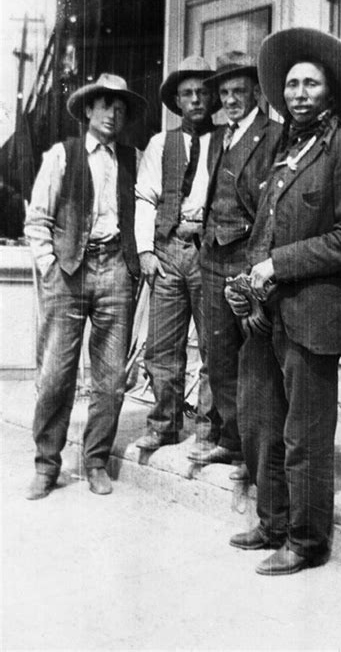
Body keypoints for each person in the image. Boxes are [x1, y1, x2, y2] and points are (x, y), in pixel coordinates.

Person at [226, 28, 341, 574]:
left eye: (311, 83)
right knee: (262, 423)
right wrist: (249, 278)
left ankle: (307, 542)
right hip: (266, 311)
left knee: (305, 435)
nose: (299, 93)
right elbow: (264, 227)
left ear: (330, 93)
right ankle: (272, 523)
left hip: (314, 313)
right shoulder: (283, 149)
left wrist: (277, 265)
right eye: (291, 84)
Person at [24, 73, 147, 499]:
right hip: (69, 270)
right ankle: (46, 464)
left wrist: (135, 265)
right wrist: (51, 267)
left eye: (120, 106)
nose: (112, 114)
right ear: (88, 110)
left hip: (116, 268)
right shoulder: (63, 154)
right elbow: (37, 219)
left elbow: (146, 213)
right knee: (57, 373)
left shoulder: (135, 159)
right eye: (104, 105)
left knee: (111, 379)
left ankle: (95, 460)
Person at [188, 51, 282, 470]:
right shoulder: (218, 137)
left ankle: (257, 450)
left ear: (257, 94)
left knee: (254, 357)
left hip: (247, 258)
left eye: (239, 91)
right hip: (212, 256)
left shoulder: (275, 134)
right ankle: (231, 438)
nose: (230, 99)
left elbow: (274, 205)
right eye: (224, 92)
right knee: (218, 351)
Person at [134, 56, 219, 451]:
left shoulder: (227, 140)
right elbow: (145, 199)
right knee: (162, 347)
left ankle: (208, 430)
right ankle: (164, 424)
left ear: (213, 97)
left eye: (203, 92)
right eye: (188, 93)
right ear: (178, 101)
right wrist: (146, 252)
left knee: (214, 346)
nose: (196, 100)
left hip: (211, 252)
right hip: (168, 252)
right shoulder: (159, 143)